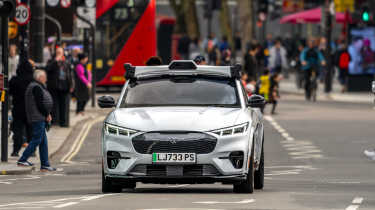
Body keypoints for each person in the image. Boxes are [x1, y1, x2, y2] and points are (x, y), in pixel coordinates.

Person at [17, 70, 56, 172]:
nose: (46, 79)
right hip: (38, 118)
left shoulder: (35, 86)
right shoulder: (36, 87)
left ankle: (45, 165)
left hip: (38, 117)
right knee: (37, 139)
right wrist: (46, 114)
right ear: (40, 78)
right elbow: (39, 104)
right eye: (44, 77)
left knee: (43, 142)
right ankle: (23, 159)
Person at [9, 58, 34, 157]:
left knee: (17, 130)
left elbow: (9, 92)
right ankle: (32, 151)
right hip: (30, 109)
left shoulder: (15, 80)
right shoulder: (32, 81)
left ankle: (15, 150)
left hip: (18, 108)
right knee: (30, 130)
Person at [46, 47, 74, 127]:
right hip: (54, 87)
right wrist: (55, 61)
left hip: (64, 86)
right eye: (57, 52)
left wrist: (72, 85)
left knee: (64, 105)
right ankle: (55, 122)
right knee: (54, 105)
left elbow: (70, 74)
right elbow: (47, 69)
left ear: (63, 53)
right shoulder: (51, 61)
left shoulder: (67, 62)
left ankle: (63, 122)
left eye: (60, 52)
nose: (59, 54)